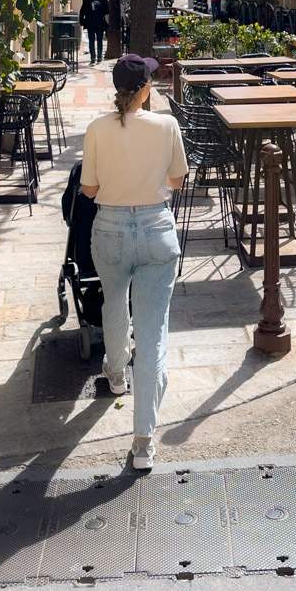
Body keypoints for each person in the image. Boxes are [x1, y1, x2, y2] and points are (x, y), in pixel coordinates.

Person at [80, 54, 188, 471]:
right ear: (145, 88)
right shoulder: (167, 126)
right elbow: (178, 180)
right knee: (153, 332)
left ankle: (115, 373)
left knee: (113, 303)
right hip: (155, 227)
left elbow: (88, 188)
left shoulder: (96, 129)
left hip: (109, 228)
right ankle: (143, 439)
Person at [79, 0, 109, 64]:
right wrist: (107, 25)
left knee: (91, 41)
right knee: (100, 40)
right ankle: (99, 57)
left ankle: (93, 57)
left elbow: (82, 12)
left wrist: (82, 22)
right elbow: (107, 13)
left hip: (90, 23)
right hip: (100, 23)